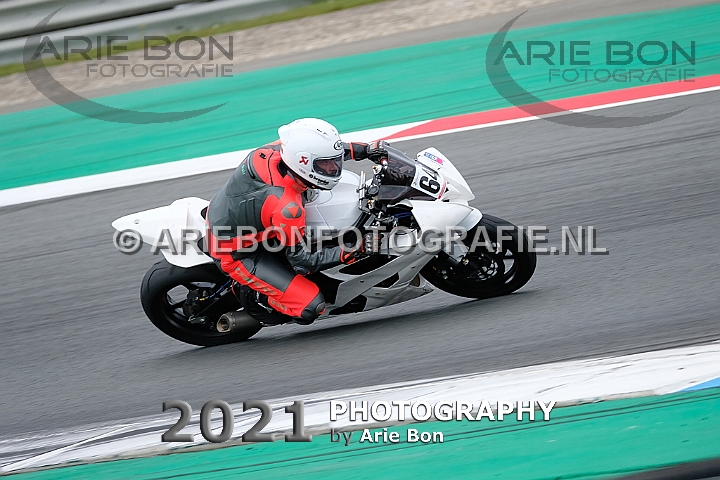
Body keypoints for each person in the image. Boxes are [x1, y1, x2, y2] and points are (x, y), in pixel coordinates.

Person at [206, 118, 388, 326]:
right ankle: (253, 296)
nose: (333, 168)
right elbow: (304, 261)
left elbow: (322, 153)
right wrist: (355, 249)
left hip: (229, 214)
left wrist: (366, 150)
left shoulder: (275, 151)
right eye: (326, 165)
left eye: (334, 161)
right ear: (304, 163)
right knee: (311, 307)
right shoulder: (288, 208)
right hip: (237, 252)